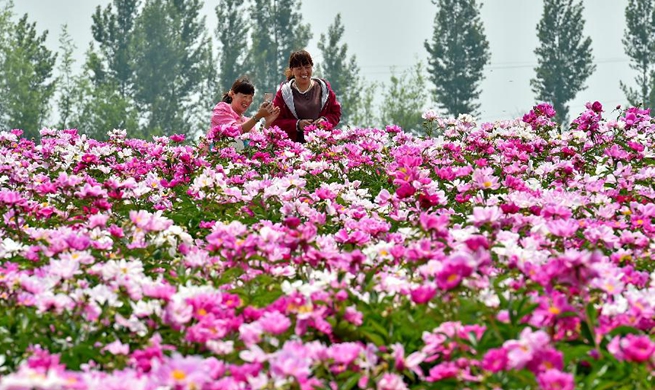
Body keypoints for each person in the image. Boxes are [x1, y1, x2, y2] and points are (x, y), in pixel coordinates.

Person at [271, 50, 341, 143]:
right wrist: (297, 124)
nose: (304, 71)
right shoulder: (284, 93)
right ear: (292, 70)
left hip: (321, 146)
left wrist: (325, 121)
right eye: (299, 68)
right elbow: (275, 121)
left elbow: (336, 113)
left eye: (307, 67)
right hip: (292, 148)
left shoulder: (323, 88)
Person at [209, 76, 280, 136]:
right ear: (233, 94)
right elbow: (233, 132)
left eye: (250, 97)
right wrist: (258, 115)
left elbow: (258, 144)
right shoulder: (222, 108)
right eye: (244, 96)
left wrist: (268, 122)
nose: (248, 101)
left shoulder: (247, 121)